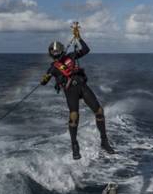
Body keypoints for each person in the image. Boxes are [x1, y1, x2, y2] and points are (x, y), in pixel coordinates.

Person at [41, 27, 114, 160]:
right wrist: (45, 78)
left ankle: (104, 141)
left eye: (58, 50)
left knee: (99, 111)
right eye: (54, 51)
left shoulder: (71, 56)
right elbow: (43, 82)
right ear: (51, 53)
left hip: (83, 87)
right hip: (70, 91)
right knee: (74, 116)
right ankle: (74, 145)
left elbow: (86, 50)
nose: (56, 52)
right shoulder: (53, 68)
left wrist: (78, 37)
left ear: (62, 50)